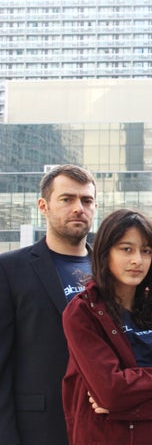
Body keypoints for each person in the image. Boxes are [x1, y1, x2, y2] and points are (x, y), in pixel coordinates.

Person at [62, 209, 152, 444]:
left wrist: (125, 408)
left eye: (146, 251)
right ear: (105, 253)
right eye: (126, 249)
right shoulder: (83, 312)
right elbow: (111, 392)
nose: (137, 260)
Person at [0, 164, 96, 445]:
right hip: (38, 427)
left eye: (86, 200)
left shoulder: (110, 270)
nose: (79, 208)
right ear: (44, 205)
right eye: (67, 199)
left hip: (103, 424)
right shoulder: (9, 269)